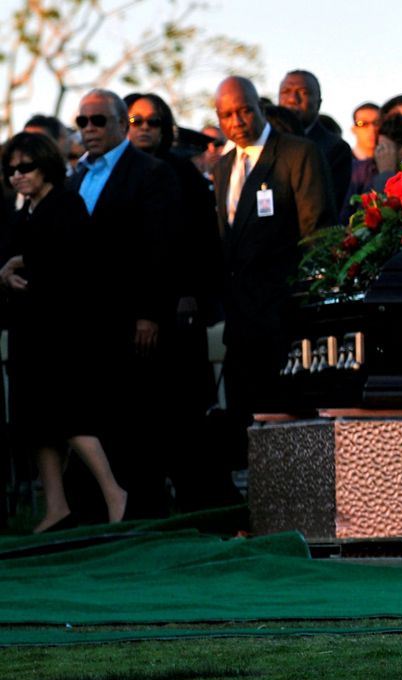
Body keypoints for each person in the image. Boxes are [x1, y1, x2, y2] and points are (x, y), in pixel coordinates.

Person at [0, 132, 129, 532]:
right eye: (11, 170)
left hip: (63, 333)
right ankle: (56, 506)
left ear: (46, 166)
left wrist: (20, 261)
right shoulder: (25, 212)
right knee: (37, 423)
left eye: (26, 167)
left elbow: (75, 260)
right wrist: (5, 270)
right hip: (30, 331)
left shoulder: (67, 204)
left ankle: (114, 493)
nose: (17, 176)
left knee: (70, 417)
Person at [124, 92, 242, 512]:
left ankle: (202, 502)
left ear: (166, 127)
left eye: (153, 121)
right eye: (135, 119)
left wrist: (192, 293)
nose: (143, 127)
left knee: (186, 414)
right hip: (125, 316)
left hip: (179, 316)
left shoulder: (182, 174)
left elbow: (204, 244)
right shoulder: (115, 175)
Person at [67, 87, 181, 520]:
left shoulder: (150, 172)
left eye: (99, 121)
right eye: (83, 122)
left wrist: (150, 313)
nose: (90, 129)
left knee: (136, 416)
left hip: (131, 316)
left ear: (120, 124)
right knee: (95, 412)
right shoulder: (76, 177)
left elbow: (161, 249)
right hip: (85, 321)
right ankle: (98, 512)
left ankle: (143, 512)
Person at [211, 76, 334, 464]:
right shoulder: (223, 166)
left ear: (259, 107)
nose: (237, 121)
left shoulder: (297, 153)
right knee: (244, 418)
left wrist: (300, 299)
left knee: (287, 417)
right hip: (240, 316)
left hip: (284, 313)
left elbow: (317, 232)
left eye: (245, 110)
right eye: (227, 114)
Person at [279, 70, 351, 212]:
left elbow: (329, 204)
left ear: (318, 103)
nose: (293, 99)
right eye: (286, 92)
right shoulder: (268, 143)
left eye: (303, 93)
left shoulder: (335, 148)